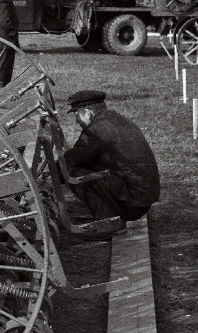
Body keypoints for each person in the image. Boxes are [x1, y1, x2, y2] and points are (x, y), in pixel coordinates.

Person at [63, 90, 160, 238]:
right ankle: (107, 218)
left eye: (76, 113)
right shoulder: (115, 119)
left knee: (72, 173)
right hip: (142, 196)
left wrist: (46, 171)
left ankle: (108, 224)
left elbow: (71, 161)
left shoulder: (96, 131)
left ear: (87, 112)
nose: (76, 120)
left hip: (133, 202)